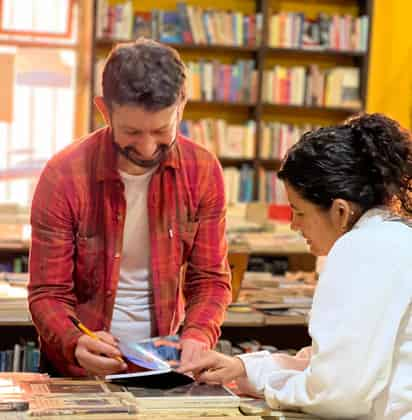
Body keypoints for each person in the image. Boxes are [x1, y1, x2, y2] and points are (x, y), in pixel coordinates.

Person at [179, 113, 412, 419]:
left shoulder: (359, 249)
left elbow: (335, 395)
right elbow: (327, 364)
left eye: (299, 212)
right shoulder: (391, 236)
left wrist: (273, 391)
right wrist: (245, 367)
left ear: (340, 211)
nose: (292, 225)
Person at [28, 38, 232, 377]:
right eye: (132, 132)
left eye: (161, 130)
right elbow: (48, 292)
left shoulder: (203, 170)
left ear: (182, 105)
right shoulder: (63, 175)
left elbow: (210, 279)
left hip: (163, 368)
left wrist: (198, 335)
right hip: (78, 368)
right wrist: (75, 340)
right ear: (103, 109)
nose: (148, 147)